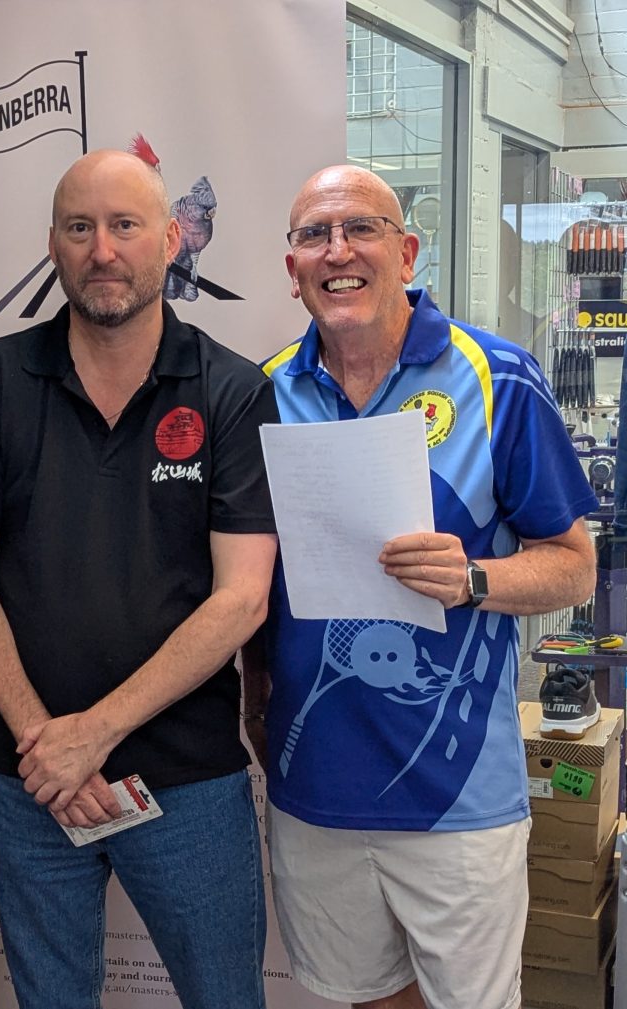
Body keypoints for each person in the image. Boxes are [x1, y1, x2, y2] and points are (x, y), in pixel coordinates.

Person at [0, 149, 279, 1009]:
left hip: (189, 780)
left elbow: (242, 598)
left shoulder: (232, 390)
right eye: (80, 227)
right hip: (31, 778)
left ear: (172, 240)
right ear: (53, 243)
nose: (103, 250)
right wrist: (47, 741)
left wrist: (93, 733)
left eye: (125, 226)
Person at [245, 164, 598, 1009]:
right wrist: (254, 703)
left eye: (361, 228)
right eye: (314, 235)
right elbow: (250, 581)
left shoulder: (497, 377)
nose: (338, 251)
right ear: (292, 270)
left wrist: (473, 577)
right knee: (365, 999)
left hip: (460, 793)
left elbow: (574, 563)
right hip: (316, 787)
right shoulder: (259, 392)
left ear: (405, 253)